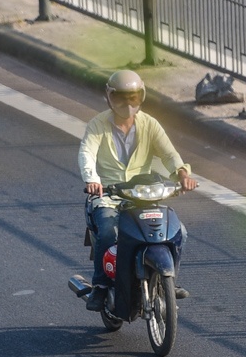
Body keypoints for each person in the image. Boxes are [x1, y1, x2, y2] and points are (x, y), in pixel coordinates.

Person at [78, 70, 196, 311]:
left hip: (143, 196)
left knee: (179, 232)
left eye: (132, 97)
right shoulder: (97, 125)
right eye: (121, 97)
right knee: (110, 232)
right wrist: (93, 180)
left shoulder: (150, 124)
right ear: (109, 97)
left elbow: (169, 154)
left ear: (141, 96)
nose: (127, 103)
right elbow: (86, 154)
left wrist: (182, 173)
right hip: (108, 197)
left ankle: (169, 282)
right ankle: (100, 285)